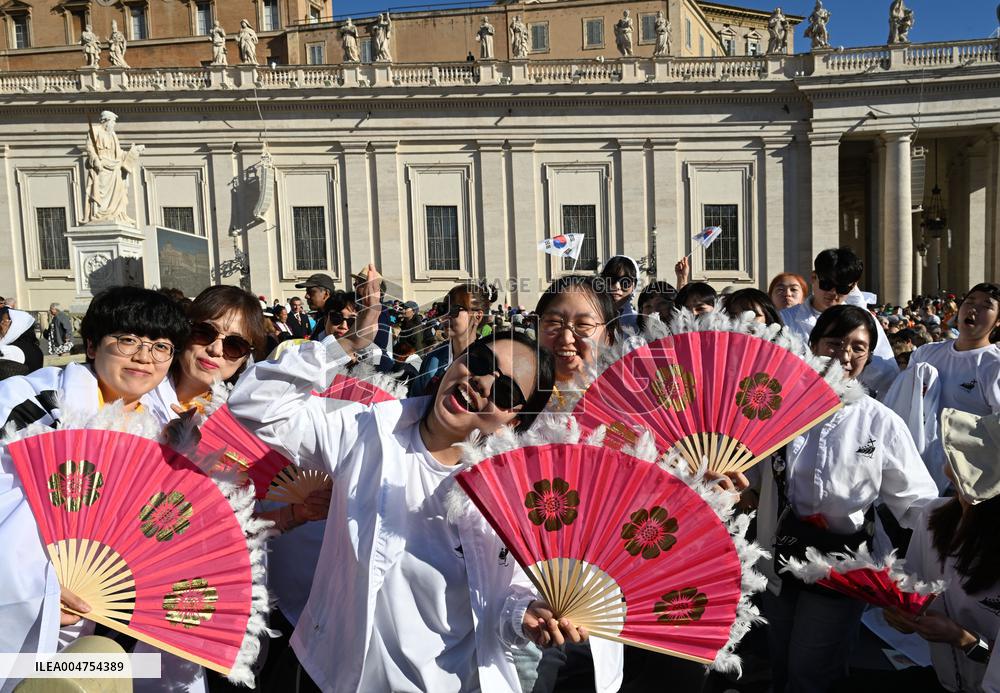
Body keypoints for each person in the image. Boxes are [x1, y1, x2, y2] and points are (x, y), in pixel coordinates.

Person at [228, 265, 595, 693]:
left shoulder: (509, 492)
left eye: (506, 392)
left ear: (513, 421)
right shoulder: (365, 431)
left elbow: (502, 593)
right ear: (458, 358)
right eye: (479, 362)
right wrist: (347, 344)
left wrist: (523, 614)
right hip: (337, 675)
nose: (481, 384)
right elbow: (256, 405)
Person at [0, 287, 188, 684]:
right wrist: (44, 585)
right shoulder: (34, 401)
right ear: (91, 344)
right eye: (128, 340)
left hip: (104, 621)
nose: (144, 356)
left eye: (160, 346)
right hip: (25, 600)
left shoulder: (158, 434)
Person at [763, 305, 938, 693]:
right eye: (835, 342)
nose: (845, 354)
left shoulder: (879, 421)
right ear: (813, 344)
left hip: (840, 565)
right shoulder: (775, 407)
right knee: (778, 661)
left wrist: (960, 522)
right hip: (776, 557)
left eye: (858, 347)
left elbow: (915, 500)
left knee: (813, 671)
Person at [878, 408, 1000, 692]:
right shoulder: (934, 516)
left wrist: (963, 639)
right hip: (942, 678)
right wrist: (899, 612)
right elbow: (913, 586)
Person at [900, 282, 1000, 490]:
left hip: (962, 484)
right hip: (915, 472)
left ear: (998, 321)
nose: (973, 309)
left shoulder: (994, 366)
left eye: (986, 306)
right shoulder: (925, 353)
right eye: (970, 302)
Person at [781, 248, 897, 398]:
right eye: (826, 284)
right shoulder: (785, 319)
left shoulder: (864, 322)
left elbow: (886, 377)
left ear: (853, 286)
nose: (833, 293)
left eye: (842, 288)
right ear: (814, 277)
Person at [410, 282, 493, 396]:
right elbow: (416, 400)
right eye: (443, 310)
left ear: (477, 316)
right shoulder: (433, 358)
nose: (445, 317)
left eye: (454, 310)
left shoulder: (491, 362)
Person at [600, 255, 640, 333]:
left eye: (625, 282)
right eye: (611, 280)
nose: (617, 287)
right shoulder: (590, 318)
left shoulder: (641, 323)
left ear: (634, 286)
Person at [0, 307, 43, 373]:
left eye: (4, 321)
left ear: (16, 326)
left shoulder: (14, 350)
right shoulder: (34, 347)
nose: (1, 325)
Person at [295, 273, 336, 340]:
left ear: (326, 294)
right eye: (306, 292)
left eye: (311, 292)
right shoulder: (322, 317)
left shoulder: (336, 321)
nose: (306, 296)